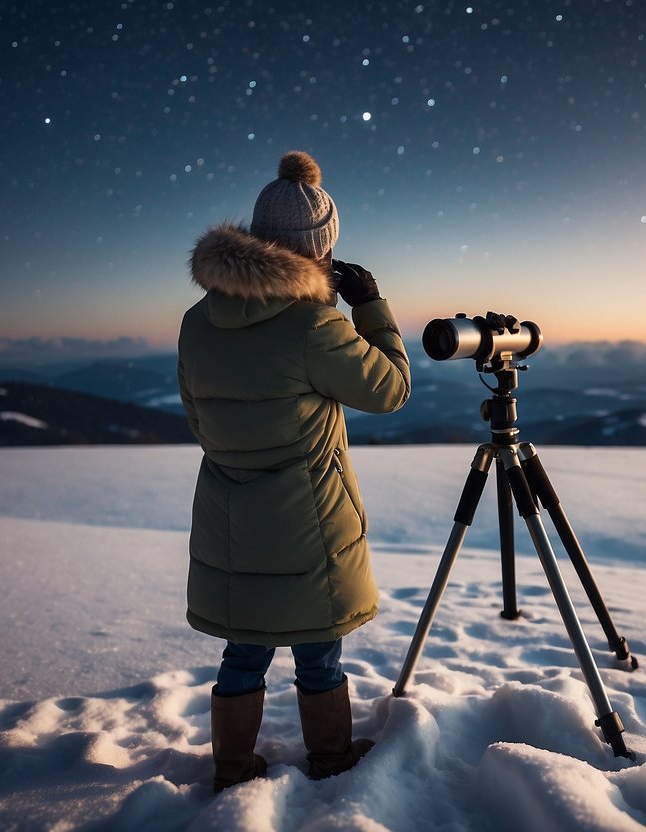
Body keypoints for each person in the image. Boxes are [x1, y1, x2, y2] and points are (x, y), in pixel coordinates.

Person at [177, 150, 411, 792]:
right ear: (320, 251)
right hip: (308, 518)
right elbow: (390, 390)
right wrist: (371, 308)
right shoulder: (315, 325)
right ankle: (331, 758)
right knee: (317, 645)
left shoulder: (198, 321)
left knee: (244, 644)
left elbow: (197, 418)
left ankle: (231, 766)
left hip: (229, 513)